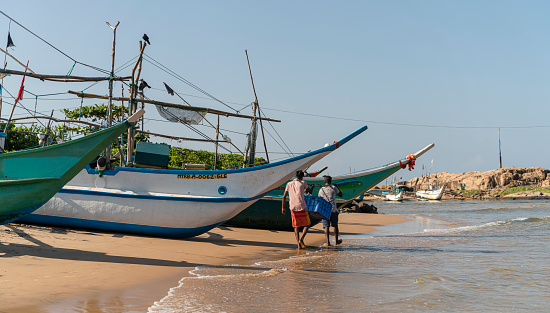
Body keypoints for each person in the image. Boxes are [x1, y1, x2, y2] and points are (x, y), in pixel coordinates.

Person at [282, 170, 315, 249]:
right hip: (301, 206)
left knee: (296, 226)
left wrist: (283, 207)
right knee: (307, 224)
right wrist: (313, 186)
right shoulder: (303, 183)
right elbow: (310, 192)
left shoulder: (289, 184)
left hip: (293, 207)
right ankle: (301, 239)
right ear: (301, 177)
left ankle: (298, 244)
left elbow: (284, 196)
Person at [318, 175, 343, 246]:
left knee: (326, 226)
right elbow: (340, 195)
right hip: (333, 210)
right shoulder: (334, 188)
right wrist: (337, 187)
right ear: (331, 181)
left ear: (324, 181)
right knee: (335, 226)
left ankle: (328, 242)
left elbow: (319, 199)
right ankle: (336, 241)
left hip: (325, 211)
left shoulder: (321, 189)